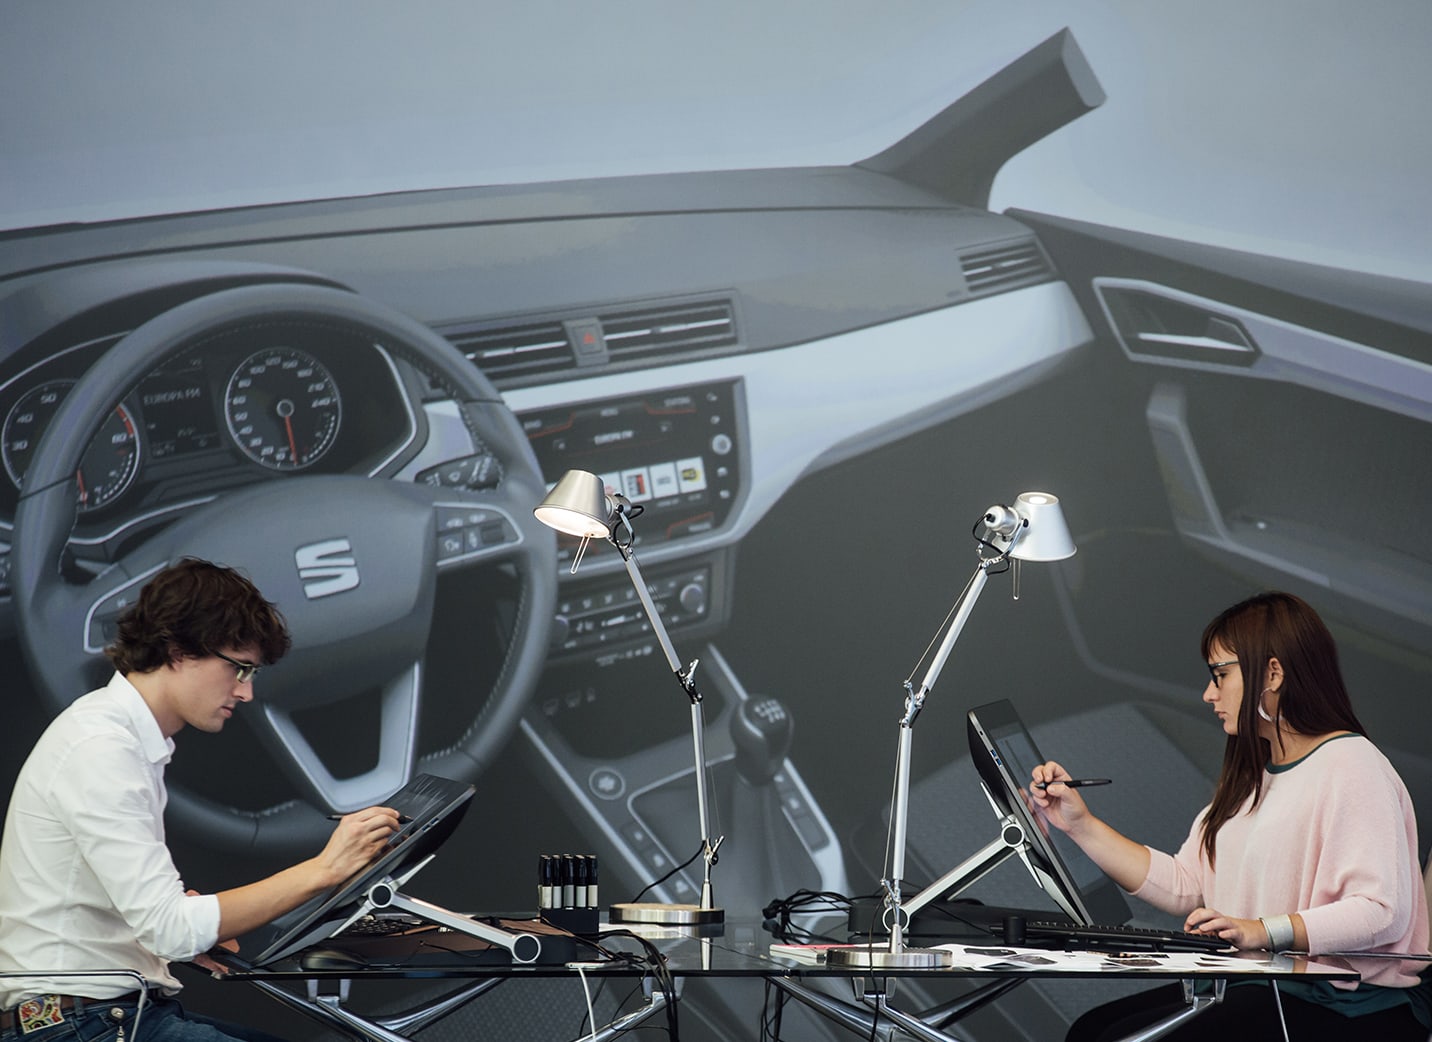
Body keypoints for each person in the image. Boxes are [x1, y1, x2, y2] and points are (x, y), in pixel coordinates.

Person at [0, 558, 401, 1042]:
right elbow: (170, 927)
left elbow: (151, 922)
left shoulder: (118, 738)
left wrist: (189, 934)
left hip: (103, 1017)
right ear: (177, 650)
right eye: (240, 668)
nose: (246, 692)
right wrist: (325, 870)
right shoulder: (101, 747)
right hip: (80, 1027)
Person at [1031, 591, 1430, 1042]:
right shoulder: (1256, 775)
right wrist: (1079, 823)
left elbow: (1381, 913)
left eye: (1221, 675)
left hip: (1332, 1003)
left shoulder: (1352, 764)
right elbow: (1186, 885)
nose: (1208, 694)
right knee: (1092, 1030)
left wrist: (1261, 931)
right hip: (1257, 985)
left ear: (1273, 673)